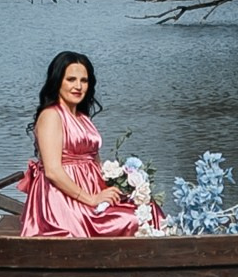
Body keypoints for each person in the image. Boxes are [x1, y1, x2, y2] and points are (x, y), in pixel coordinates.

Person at [17, 50, 163, 238]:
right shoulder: (51, 115)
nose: (78, 86)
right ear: (57, 81)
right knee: (132, 219)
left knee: (147, 208)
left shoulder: (83, 117)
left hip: (93, 193)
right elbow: (52, 171)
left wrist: (121, 185)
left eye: (84, 81)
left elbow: (96, 163)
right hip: (63, 200)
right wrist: (91, 199)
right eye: (71, 79)